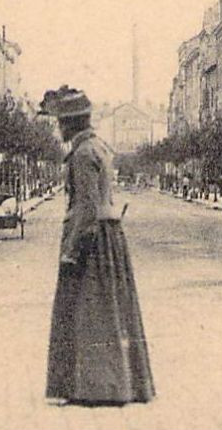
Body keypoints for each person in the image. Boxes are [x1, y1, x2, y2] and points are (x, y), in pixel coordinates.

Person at [41, 87, 154, 406]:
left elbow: (87, 206)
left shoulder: (81, 153)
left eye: (61, 123)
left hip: (92, 238)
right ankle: (119, 383)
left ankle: (94, 386)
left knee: (87, 311)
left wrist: (72, 249)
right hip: (109, 236)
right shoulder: (99, 147)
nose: (59, 129)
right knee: (112, 310)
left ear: (70, 124)